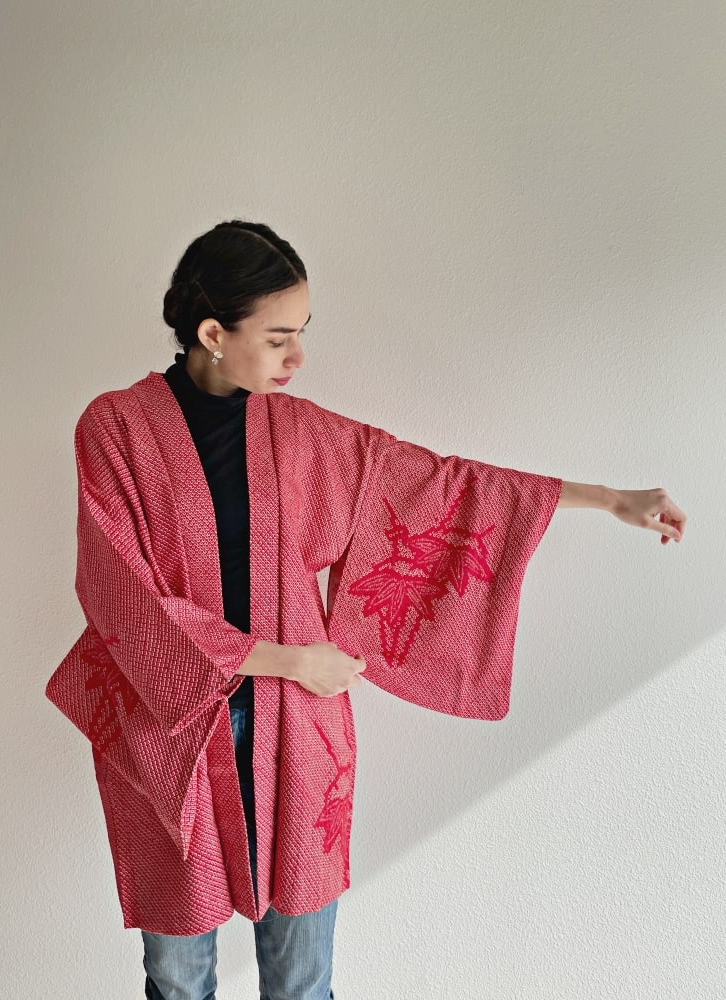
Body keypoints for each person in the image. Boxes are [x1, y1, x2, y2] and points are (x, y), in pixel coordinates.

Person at [46, 220, 686, 1000]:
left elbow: (442, 483)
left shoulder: (303, 432)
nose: (297, 357)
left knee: (302, 977)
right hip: (172, 722)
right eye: (278, 338)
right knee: (178, 977)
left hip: (298, 725)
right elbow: (122, 596)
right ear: (213, 334)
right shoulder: (115, 428)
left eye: (301, 333)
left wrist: (611, 498)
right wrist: (291, 659)